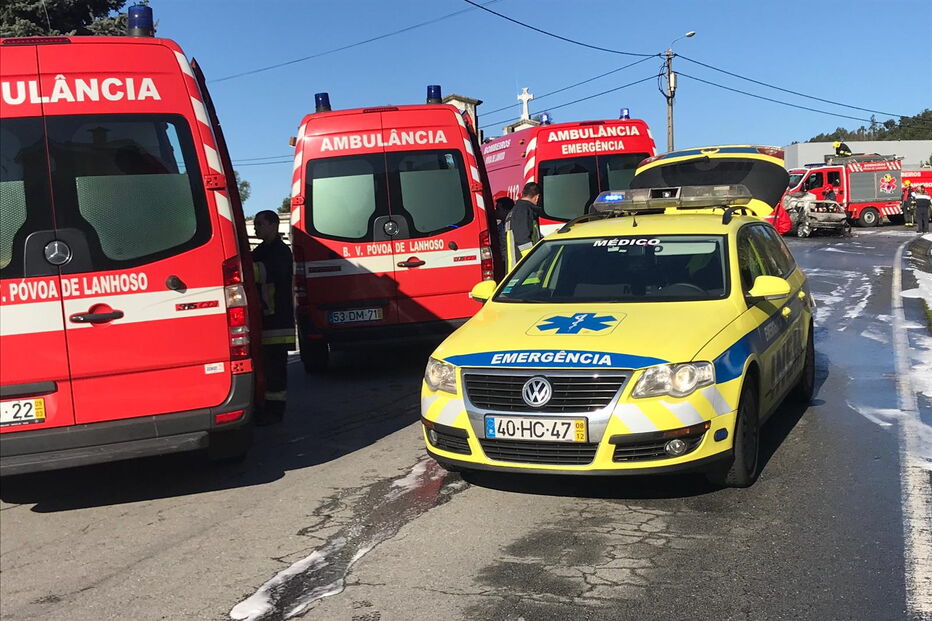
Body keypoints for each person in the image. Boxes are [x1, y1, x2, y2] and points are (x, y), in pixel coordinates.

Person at [252, 210, 295, 425]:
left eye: (260, 224)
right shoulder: (262, 250)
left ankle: (276, 411)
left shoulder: (280, 251)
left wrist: (241, 269)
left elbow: (265, 273)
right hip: (266, 318)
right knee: (267, 366)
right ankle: (266, 408)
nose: (255, 228)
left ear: (273, 225)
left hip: (278, 319)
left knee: (275, 368)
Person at [504, 182, 542, 270]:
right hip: (523, 270)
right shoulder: (523, 211)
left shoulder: (517, 210)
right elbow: (523, 240)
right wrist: (534, 263)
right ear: (537, 197)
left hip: (517, 269)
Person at [493, 195, 515, 264]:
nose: (495, 212)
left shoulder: (514, 226)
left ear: (507, 210)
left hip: (512, 260)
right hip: (503, 260)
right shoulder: (499, 227)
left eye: (498, 209)